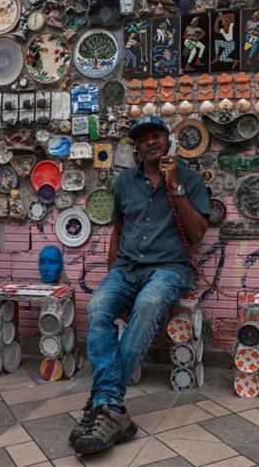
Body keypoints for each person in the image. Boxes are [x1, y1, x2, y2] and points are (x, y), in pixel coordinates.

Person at [70, 116, 210, 455]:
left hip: (169, 269)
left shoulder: (189, 179)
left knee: (148, 305)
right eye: (143, 138)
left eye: (156, 136)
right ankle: (112, 410)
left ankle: (107, 402)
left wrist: (174, 186)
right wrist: (112, 272)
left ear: (168, 140)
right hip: (127, 267)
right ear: (136, 146)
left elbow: (198, 233)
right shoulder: (124, 183)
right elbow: (118, 229)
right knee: (98, 306)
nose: (151, 142)